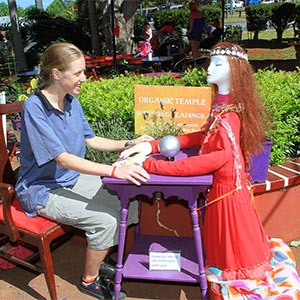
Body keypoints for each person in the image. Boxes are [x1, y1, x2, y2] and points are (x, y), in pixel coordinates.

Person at [118, 42, 300, 299]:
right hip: (224, 188)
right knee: (223, 247)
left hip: (227, 193)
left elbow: (214, 159)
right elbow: (203, 135)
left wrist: (150, 164)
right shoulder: (224, 105)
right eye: (210, 62)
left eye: (217, 63)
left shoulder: (229, 115)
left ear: (234, 69)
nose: (209, 68)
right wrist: (152, 145)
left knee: (231, 255)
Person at [15, 42, 153, 300]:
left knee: (128, 200)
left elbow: (91, 140)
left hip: (70, 179)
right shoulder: (35, 107)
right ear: (56, 73)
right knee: (105, 220)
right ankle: (89, 280)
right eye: (78, 73)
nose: (84, 78)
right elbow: (64, 160)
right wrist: (114, 171)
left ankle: (101, 262)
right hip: (42, 188)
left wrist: (131, 143)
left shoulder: (70, 101)